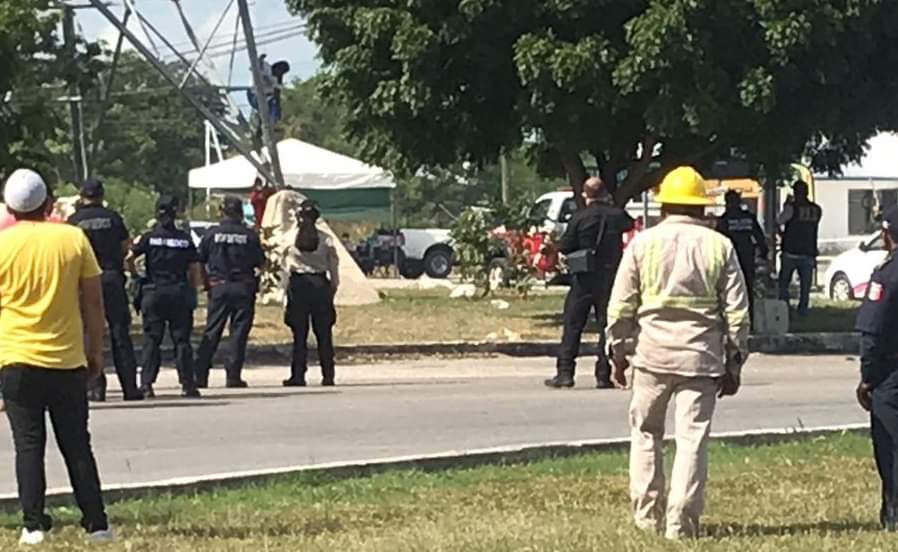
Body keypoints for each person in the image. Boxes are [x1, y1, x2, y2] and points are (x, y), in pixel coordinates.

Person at [607, 166, 750, 540]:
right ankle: (681, 524)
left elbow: (620, 306)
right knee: (692, 439)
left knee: (645, 434)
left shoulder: (642, 243)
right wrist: (734, 361)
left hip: (651, 356)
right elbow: (737, 312)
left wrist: (618, 353)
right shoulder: (720, 246)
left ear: (664, 206)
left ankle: (646, 519)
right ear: (702, 208)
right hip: (700, 358)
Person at [0, 169, 113, 545]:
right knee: (77, 443)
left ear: (11, 209)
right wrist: (94, 352)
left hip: (15, 358)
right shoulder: (73, 239)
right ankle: (96, 523)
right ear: (50, 203)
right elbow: (93, 302)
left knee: (28, 445)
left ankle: (32, 525)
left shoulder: (2, 245)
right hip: (66, 360)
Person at [546, 176, 633, 389]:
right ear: (605, 194)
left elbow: (566, 246)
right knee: (606, 325)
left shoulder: (579, 217)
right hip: (610, 275)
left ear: (586, 196)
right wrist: (610, 204)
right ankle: (604, 374)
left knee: (573, 324)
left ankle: (565, 373)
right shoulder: (616, 215)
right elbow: (629, 224)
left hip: (583, 277)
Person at [68, 178, 143, 402]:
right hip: (111, 278)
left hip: (83, 281)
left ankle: (94, 387)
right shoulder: (113, 218)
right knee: (120, 333)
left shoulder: (73, 222)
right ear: (101, 195)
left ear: (82, 196)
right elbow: (125, 247)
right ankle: (129, 387)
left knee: (87, 334)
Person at [127, 196, 204, 398]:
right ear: (175, 212)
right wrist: (192, 289)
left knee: (152, 340)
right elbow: (195, 268)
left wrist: (136, 276)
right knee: (182, 340)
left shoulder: (148, 237)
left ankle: (146, 384)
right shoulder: (185, 239)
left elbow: (129, 257)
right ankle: (188, 385)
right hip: (178, 292)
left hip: (154, 292)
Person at [855, 205, 898, 531]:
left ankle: (894, 517)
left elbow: (872, 332)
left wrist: (867, 379)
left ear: (887, 235)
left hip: (891, 377)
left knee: (891, 448)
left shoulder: (887, 274)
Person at [194, 196, 265, 388]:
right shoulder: (249, 235)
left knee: (212, 331)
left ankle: (200, 375)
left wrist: (206, 283)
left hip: (218, 286)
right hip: (243, 287)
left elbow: (200, 260)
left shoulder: (211, 233)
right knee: (238, 333)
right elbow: (260, 262)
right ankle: (233, 376)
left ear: (222, 211)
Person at [280, 200, 339, 387]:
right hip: (320, 285)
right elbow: (334, 272)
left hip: (299, 285)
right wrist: (330, 291)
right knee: (324, 334)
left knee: (299, 335)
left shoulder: (288, 239)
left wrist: (284, 294)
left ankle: (298, 375)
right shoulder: (327, 239)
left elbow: (283, 270)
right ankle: (328, 375)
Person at [716, 190, 769, 327]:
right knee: (748, 289)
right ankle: (749, 320)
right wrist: (763, 253)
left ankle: (731, 321)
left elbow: (718, 242)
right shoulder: (748, 218)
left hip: (730, 260)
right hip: (747, 258)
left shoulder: (724, 220)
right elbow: (760, 238)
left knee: (728, 290)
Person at [777, 180, 822, 316]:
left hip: (791, 251)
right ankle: (803, 311)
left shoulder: (791, 208)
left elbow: (778, 222)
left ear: (796, 192)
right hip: (808, 252)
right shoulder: (816, 209)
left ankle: (785, 310)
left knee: (784, 284)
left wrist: (782, 235)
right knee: (805, 287)